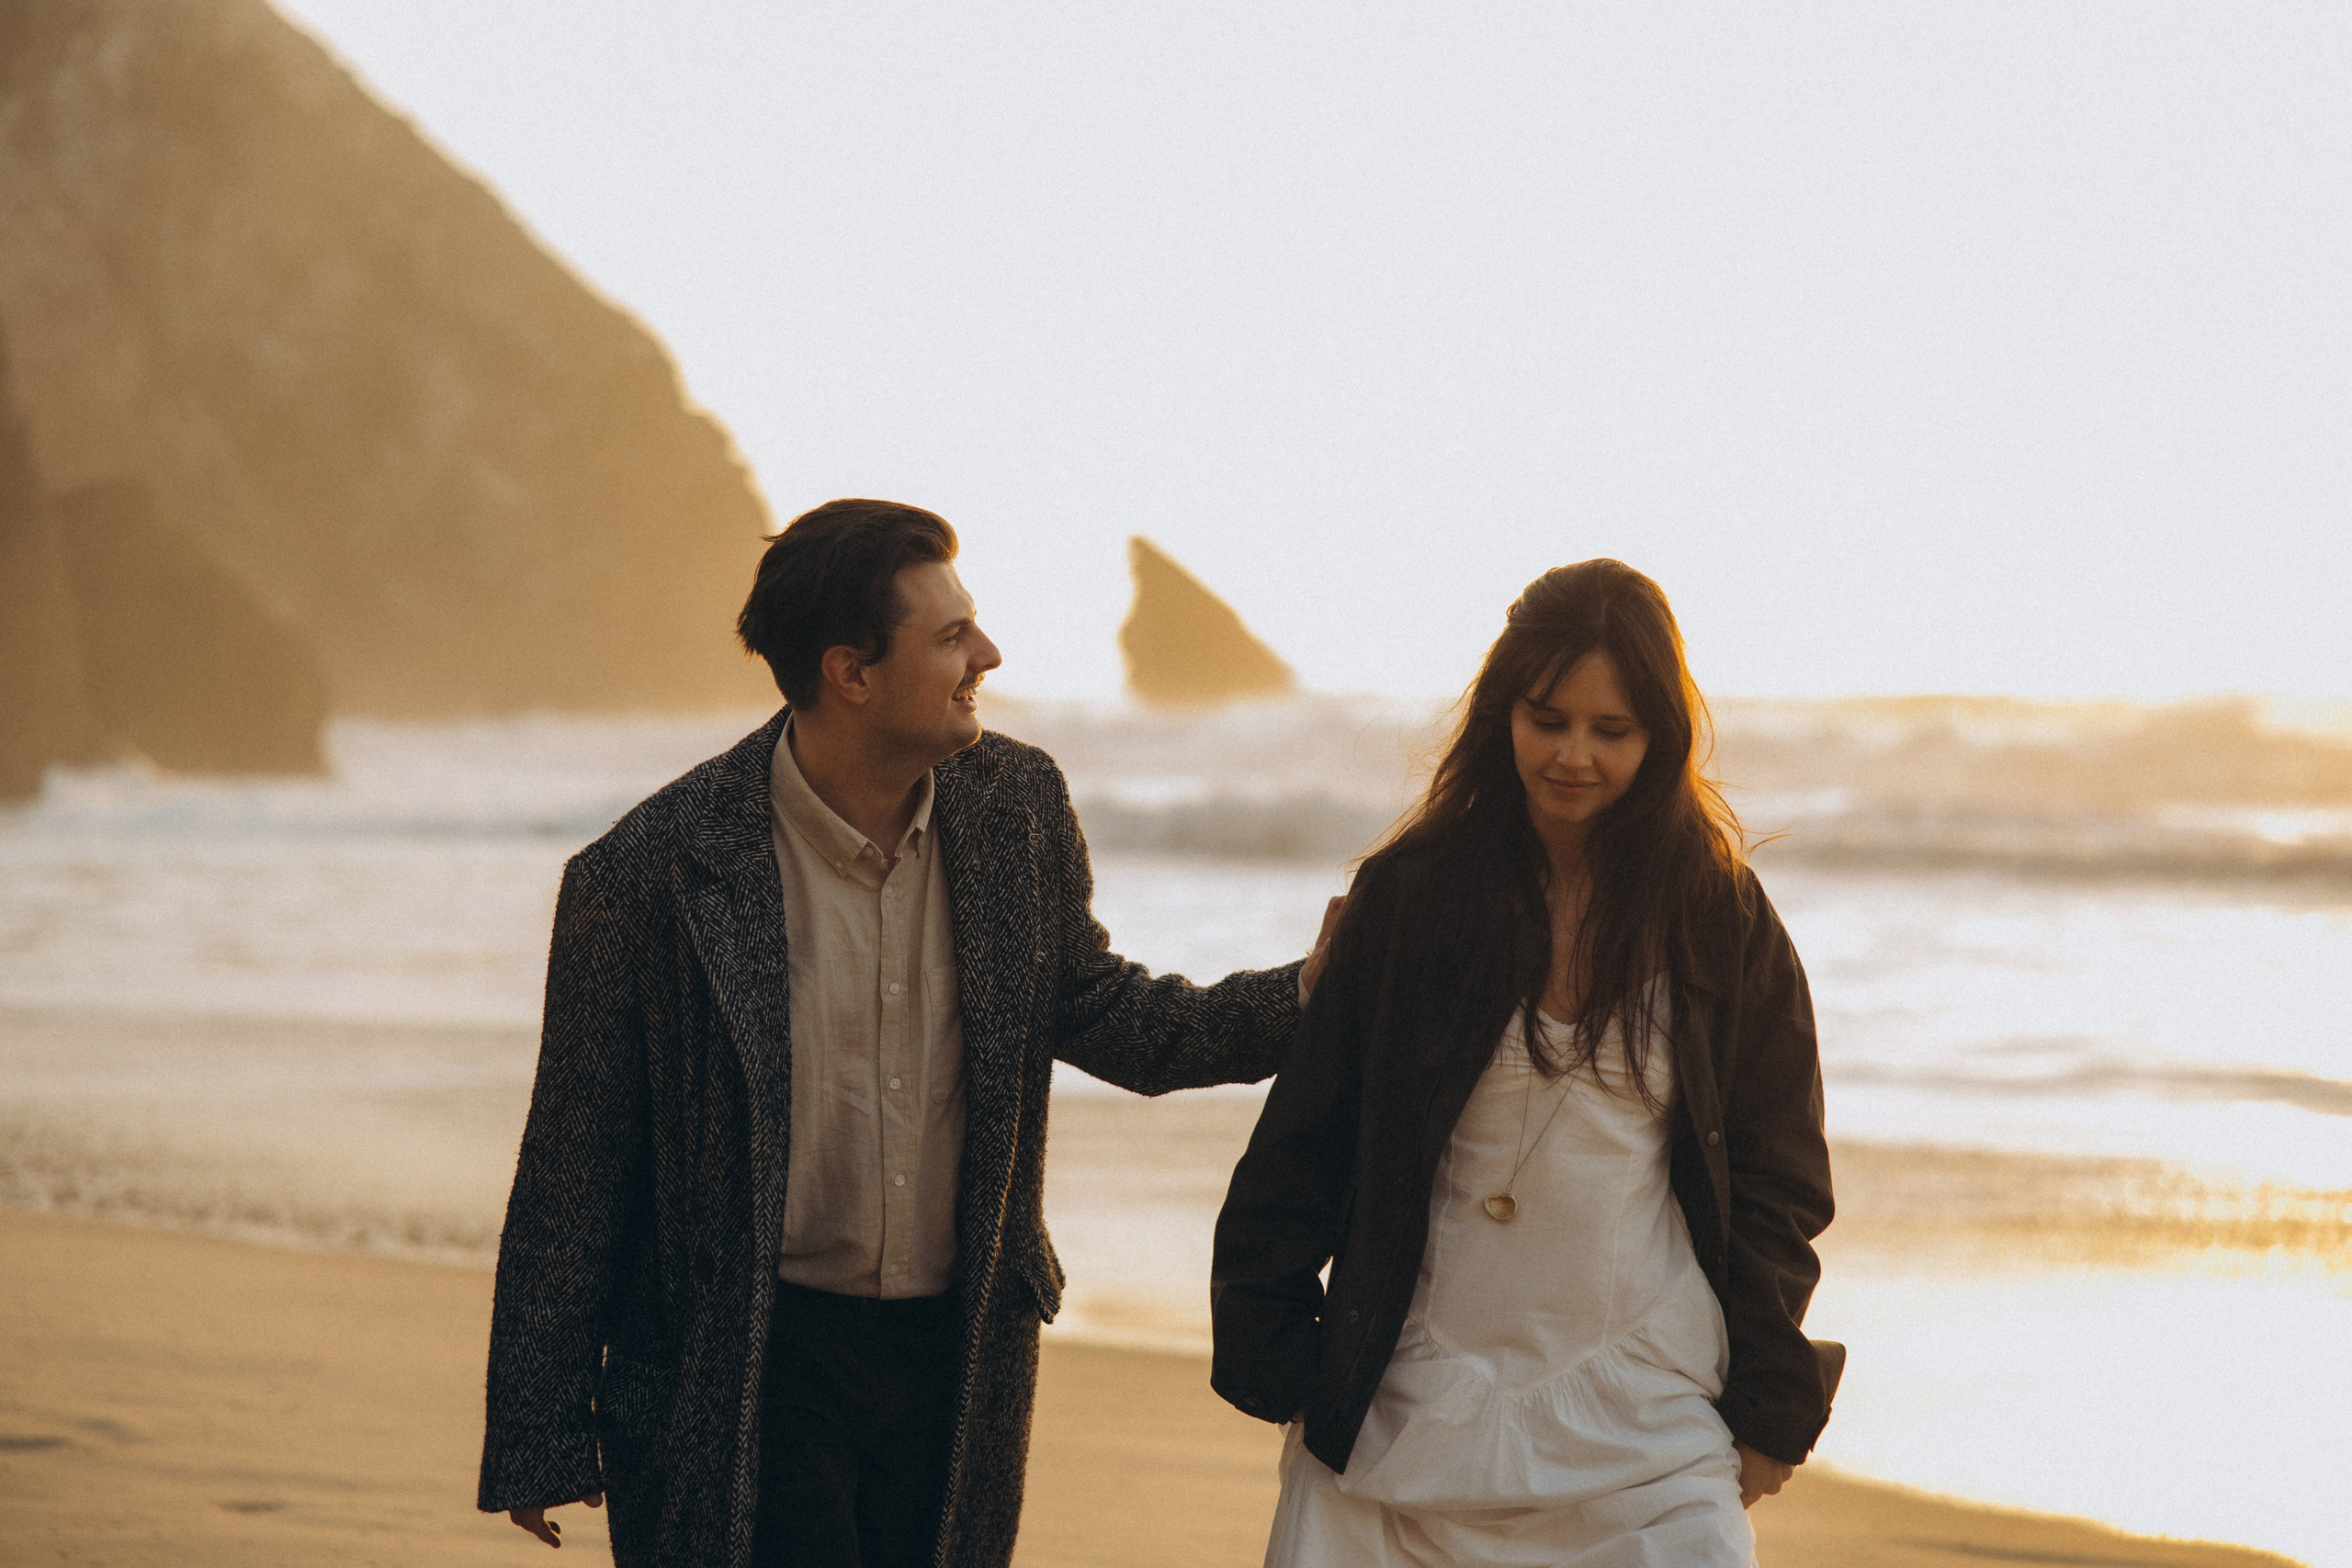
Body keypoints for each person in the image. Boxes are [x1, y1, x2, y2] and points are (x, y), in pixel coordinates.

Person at [478, 498, 1326, 1568]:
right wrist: (538, 1427)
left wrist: (1307, 995)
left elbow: (1103, 1008)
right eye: (951, 637)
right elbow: (574, 1160)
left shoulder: (1016, 807)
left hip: (955, 1350)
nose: (988, 654)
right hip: (749, 1356)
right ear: (852, 672)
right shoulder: (652, 874)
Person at [1209, 558, 1835, 1567]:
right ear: (1503, 712)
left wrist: (1767, 1400)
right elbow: (1307, 1138)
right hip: (1403, 1408)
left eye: (1611, 730)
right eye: (1547, 719)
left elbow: (1778, 1177)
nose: (1573, 755)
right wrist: (1275, 1341)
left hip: (1645, 1414)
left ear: (1661, 737)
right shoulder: (1412, 895)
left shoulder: (1716, 914)